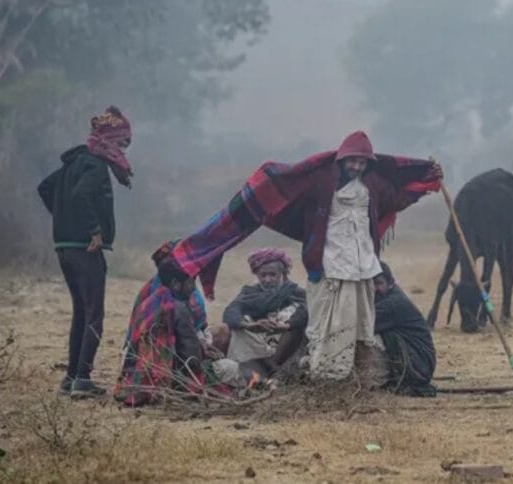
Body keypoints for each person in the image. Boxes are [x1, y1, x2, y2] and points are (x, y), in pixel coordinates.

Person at [160, 130, 442, 385]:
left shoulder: (375, 185)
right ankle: (327, 379)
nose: (356, 166)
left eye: (362, 162)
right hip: (328, 266)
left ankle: (347, 379)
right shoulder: (319, 180)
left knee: (357, 329)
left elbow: (398, 198)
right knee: (326, 327)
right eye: (352, 161)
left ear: (369, 163)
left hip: (362, 267)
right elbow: (285, 185)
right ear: (342, 159)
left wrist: (426, 180)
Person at [37, 106, 134, 398]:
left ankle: (70, 378)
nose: (122, 151)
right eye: (120, 143)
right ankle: (82, 379)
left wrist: (63, 221)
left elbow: (45, 188)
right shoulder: (95, 165)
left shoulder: (73, 162)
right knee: (94, 314)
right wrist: (92, 230)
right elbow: (80, 195)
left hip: (64, 248)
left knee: (81, 311)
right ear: (106, 141)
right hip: (84, 248)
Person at [114, 261, 238, 407]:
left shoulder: (147, 303)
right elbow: (191, 359)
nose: (193, 288)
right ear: (176, 284)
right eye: (191, 282)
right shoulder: (179, 309)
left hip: (139, 379)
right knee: (231, 367)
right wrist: (206, 358)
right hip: (172, 381)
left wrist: (202, 347)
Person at [219, 248, 307, 381]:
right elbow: (231, 311)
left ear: (283, 274)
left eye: (273, 275)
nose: (267, 279)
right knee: (230, 326)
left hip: (285, 347)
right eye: (263, 275)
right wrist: (249, 325)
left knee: (300, 322)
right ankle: (245, 371)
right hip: (256, 345)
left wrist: (287, 326)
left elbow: (307, 311)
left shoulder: (296, 292)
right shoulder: (249, 292)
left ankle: (273, 370)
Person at [373, 262, 437, 397]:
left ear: (390, 283)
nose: (375, 288)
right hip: (420, 363)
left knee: (369, 339)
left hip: (418, 367)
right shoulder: (390, 296)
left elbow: (363, 326)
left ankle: (379, 380)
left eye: (379, 283)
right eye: (371, 284)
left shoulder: (391, 304)